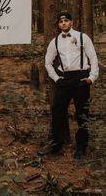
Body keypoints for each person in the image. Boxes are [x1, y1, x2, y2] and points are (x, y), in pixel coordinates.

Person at [38, 12, 99, 159]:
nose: (63, 23)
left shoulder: (83, 37)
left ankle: (81, 147)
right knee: (57, 110)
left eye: (66, 20)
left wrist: (92, 78)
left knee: (82, 113)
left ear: (71, 22)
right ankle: (55, 144)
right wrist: (57, 79)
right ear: (58, 25)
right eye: (60, 21)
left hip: (81, 78)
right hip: (64, 80)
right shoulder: (55, 41)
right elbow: (48, 62)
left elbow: (93, 57)